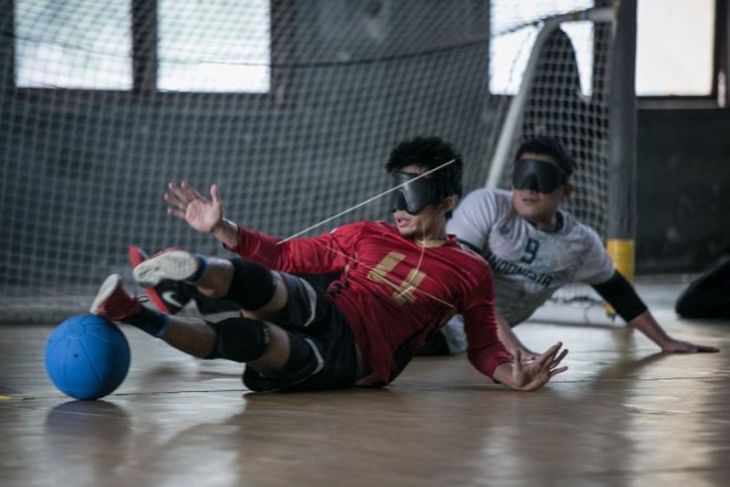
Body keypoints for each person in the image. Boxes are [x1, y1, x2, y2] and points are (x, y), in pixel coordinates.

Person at [91, 136, 568, 392]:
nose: (399, 207)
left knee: (248, 338)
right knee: (262, 282)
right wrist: (221, 228)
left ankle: (136, 314)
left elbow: (483, 345)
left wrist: (512, 375)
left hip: (354, 359)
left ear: (446, 201)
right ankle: (191, 268)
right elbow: (283, 255)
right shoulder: (364, 235)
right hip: (330, 309)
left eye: (414, 193)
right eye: (395, 191)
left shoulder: (469, 269)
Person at [443, 135, 718, 358]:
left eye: (543, 177)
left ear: (566, 191)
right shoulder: (488, 205)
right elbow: (463, 274)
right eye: (522, 175)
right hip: (431, 316)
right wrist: (516, 349)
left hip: (460, 340)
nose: (529, 188)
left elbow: (616, 289)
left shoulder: (579, 244)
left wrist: (665, 341)